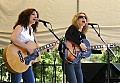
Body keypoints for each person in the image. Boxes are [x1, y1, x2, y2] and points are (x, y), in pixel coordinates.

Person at [10, 8, 40, 83]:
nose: (35, 17)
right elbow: (13, 38)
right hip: (17, 58)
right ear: (26, 16)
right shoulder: (20, 27)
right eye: (33, 14)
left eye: (36, 15)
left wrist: (50, 48)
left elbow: (36, 48)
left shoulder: (32, 31)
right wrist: (27, 47)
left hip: (27, 62)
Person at [63, 12, 89, 83]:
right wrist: (79, 43)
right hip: (69, 59)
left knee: (80, 81)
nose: (84, 18)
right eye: (81, 17)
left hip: (77, 61)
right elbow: (68, 36)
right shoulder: (72, 28)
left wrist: (100, 49)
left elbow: (84, 51)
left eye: (85, 17)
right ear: (76, 20)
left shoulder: (83, 36)